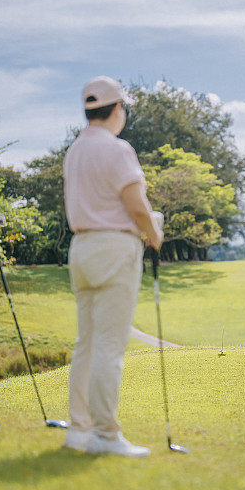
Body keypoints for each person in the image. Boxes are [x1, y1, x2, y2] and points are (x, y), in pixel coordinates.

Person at [63, 76, 164, 457]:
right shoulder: (118, 149)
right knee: (108, 345)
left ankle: (80, 429)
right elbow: (137, 206)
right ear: (117, 109)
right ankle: (105, 434)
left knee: (87, 343)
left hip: (82, 248)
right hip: (114, 247)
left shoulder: (74, 150)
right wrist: (154, 233)